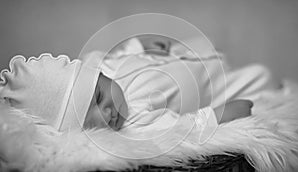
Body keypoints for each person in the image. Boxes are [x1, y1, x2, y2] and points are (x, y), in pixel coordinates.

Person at [0, 35, 279, 143]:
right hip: (218, 84)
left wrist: (139, 44)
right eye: (89, 124)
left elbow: (115, 51)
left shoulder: (99, 63)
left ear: (96, 74)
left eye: (98, 97)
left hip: (188, 55)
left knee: (199, 43)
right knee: (261, 76)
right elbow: (186, 127)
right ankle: (267, 87)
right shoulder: (134, 123)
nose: (106, 114)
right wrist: (220, 114)